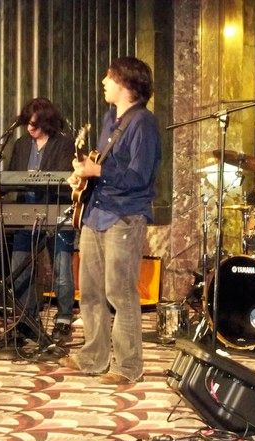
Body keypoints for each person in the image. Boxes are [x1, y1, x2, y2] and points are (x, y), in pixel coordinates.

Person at [60, 57, 161, 385]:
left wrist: (98, 171)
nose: (104, 82)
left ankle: (128, 367)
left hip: (125, 215)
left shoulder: (144, 123)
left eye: (110, 77)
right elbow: (101, 164)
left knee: (120, 292)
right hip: (96, 212)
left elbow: (139, 176)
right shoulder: (109, 119)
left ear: (127, 84)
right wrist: (83, 175)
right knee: (90, 291)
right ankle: (94, 357)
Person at [0, 97, 76, 345]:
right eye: (27, 123)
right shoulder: (22, 144)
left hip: (55, 211)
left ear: (47, 121)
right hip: (25, 212)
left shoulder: (64, 143)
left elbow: (62, 177)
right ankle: (27, 317)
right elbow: (12, 175)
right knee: (19, 266)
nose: (29, 128)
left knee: (61, 269)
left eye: (34, 124)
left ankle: (64, 318)